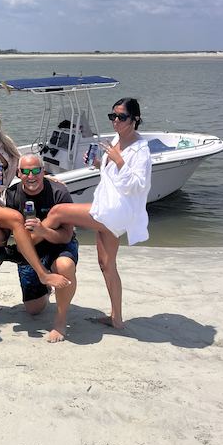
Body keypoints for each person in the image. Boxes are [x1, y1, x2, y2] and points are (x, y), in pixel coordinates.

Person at [45, 97, 152, 329]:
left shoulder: (140, 149)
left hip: (115, 211)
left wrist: (119, 161)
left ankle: (30, 248)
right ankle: (117, 319)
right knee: (106, 264)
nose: (115, 121)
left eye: (121, 117)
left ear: (135, 120)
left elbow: (139, 185)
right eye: (112, 116)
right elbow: (112, 173)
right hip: (108, 206)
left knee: (58, 211)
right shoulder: (118, 139)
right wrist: (98, 162)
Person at [0, 101, 68, 309]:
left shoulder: (5, 142)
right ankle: (43, 275)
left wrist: (48, 176)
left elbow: (24, 165)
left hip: (0, 199)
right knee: (17, 219)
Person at [0, 153, 78, 342]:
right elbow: (2, 239)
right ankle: (47, 288)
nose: (31, 176)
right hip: (30, 249)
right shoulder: (11, 195)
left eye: (36, 170)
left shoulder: (59, 193)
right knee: (33, 310)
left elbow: (67, 235)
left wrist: (44, 231)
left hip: (58, 243)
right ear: (19, 173)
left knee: (64, 266)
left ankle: (60, 321)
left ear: (43, 171)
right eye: (26, 171)